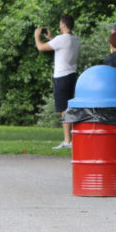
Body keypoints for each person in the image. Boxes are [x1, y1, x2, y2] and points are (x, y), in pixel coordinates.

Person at [35, 15, 81, 150]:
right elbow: (60, 46)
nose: (59, 26)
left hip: (61, 77)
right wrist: (50, 37)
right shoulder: (75, 39)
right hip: (72, 76)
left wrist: (37, 36)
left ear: (64, 25)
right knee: (70, 108)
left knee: (63, 109)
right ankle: (72, 139)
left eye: (60, 24)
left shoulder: (62, 39)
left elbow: (41, 48)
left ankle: (68, 141)